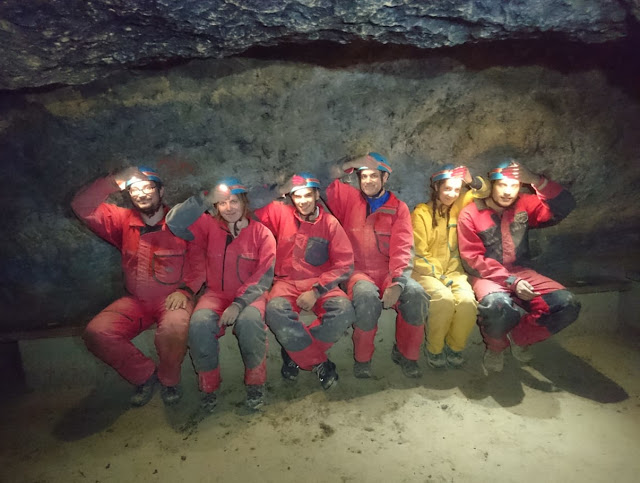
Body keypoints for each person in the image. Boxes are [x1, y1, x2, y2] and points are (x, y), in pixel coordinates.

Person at [71, 166, 194, 407]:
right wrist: (115, 180)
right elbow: (81, 205)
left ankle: (169, 380)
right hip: (136, 301)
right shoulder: (122, 221)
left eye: (148, 187)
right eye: (134, 189)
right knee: (97, 332)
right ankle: (144, 376)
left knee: (174, 327)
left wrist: (186, 289)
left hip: (173, 298)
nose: (142, 194)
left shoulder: (180, 222)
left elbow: (199, 259)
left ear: (161, 191)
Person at [457, 160, 581, 374]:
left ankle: (519, 338)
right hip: (488, 275)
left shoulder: (525, 204)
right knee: (497, 306)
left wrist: (536, 180)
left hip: (521, 271)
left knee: (567, 304)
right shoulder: (471, 213)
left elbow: (565, 205)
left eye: (514, 185)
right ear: (492, 185)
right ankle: (496, 348)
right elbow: (473, 259)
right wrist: (512, 282)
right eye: (502, 185)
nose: (507, 191)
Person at [165, 177, 276, 411]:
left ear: (244, 202)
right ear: (215, 206)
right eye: (222, 203)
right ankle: (209, 387)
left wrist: (238, 304)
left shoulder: (261, 233)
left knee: (250, 322)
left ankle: (255, 384)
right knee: (199, 324)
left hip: (250, 296)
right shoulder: (209, 227)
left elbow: (263, 277)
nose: (229, 208)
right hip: (216, 293)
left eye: (234, 201)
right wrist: (204, 199)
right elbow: (174, 222)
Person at [325, 153, 429, 378]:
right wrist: (352, 164)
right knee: (365, 296)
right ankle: (363, 359)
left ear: (385, 178)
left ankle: (407, 354)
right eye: (363, 176)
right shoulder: (349, 199)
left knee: (416, 294)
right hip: (357, 272)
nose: (368, 181)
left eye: (374, 176)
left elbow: (403, 248)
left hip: (388, 271)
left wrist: (398, 283)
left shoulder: (398, 208)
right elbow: (326, 179)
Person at [255, 172, 356, 390]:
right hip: (287, 282)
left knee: (344, 310)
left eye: (308, 195)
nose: (302, 201)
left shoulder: (329, 223)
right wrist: (279, 189)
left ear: (317, 195)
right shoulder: (280, 213)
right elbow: (252, 204)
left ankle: (293, 351)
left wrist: (317, 291)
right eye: (297, 196)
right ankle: (319, 362)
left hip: (320, 281)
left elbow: (345, 263)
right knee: (275, 310)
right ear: (291, 197)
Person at [411, 164, 489, 369]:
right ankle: (434, 349)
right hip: (424, 272)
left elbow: (484, 192)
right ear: (436, 187)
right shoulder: (421, 213)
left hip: (454, 272)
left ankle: (455, 347)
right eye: (447, 188)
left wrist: (471, 181)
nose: (452, 194)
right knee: (443, 299)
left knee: (467, 302)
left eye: (456, 189)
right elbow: (418, 254)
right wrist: (441, 277)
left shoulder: (458, 207)